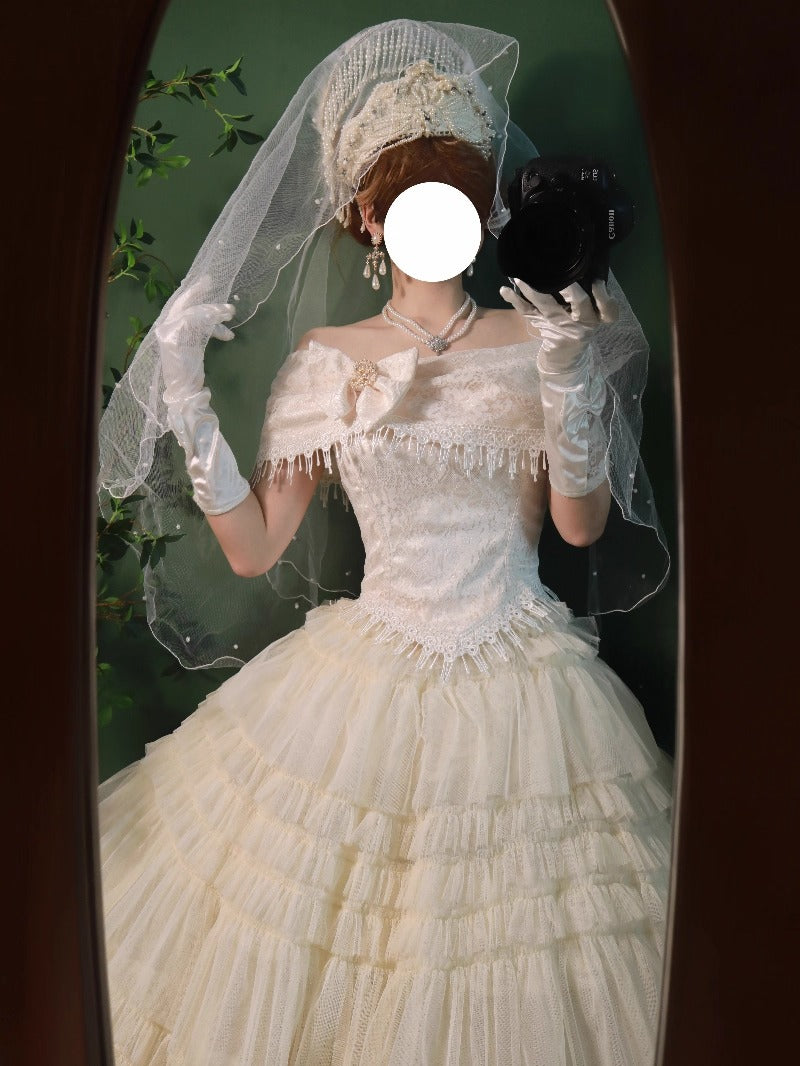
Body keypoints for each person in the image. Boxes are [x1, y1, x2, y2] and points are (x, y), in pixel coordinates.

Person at [97, 19, 673, 1066]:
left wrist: (567, 379)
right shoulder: (326, 361)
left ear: (483, 211)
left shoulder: (538, 339)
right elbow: (252, 549)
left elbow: (579, 527)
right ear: (365, 216)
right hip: (363, 670)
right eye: (408, 201)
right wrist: (184, 392)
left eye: (455, 197)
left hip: (524, 677)